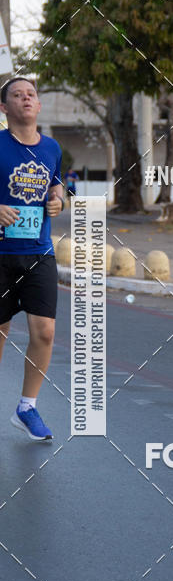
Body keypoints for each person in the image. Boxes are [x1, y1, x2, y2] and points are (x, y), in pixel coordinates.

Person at [0, 78, 64, 441]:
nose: (26, 99)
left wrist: (58, 199)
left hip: (38, 253)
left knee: (45, 331)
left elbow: (55, 187)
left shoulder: (52, 148)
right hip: (0, 255)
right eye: (17, 95)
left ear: (38, 106)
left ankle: (27, 407)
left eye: (31, 95)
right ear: (4, 108)